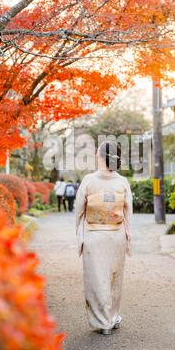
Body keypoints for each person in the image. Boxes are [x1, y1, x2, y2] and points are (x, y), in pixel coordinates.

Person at [75, 141, 133, 336]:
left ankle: (102, 322)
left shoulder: (89, 180)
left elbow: (79, 211)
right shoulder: (122, 182)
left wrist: (80, 237)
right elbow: (128, 212)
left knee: (96, 279)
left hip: (94, 234)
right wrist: (128, 237)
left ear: (99, 157)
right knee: (114, 279)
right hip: (116, 235)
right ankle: (112, 317)